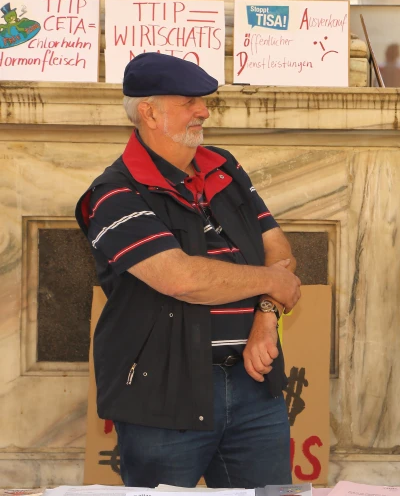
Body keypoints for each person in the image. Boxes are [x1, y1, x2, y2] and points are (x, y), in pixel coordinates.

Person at [75, 53, 302, 488]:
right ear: (149, 112)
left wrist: (267, 317)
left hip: (255, 386)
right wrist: (273, 282)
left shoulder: (225, 167)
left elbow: (277, 246)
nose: (204, 111)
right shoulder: (115, 195)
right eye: (189, 102)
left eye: (203, 101)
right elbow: (182, 279)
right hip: (165, 397)